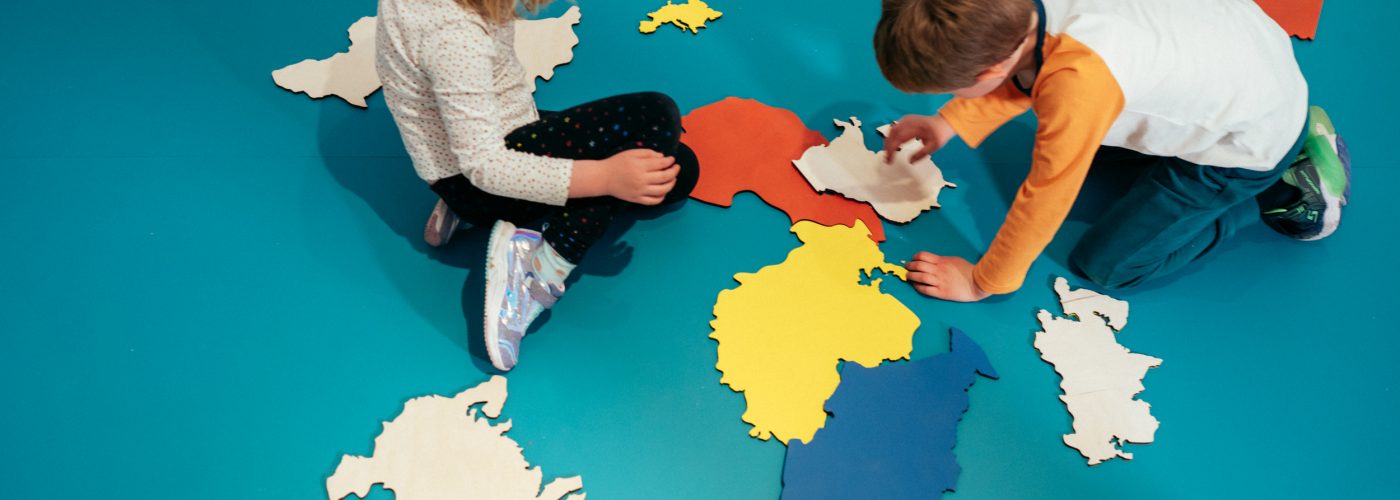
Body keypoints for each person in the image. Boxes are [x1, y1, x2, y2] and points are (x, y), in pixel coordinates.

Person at [873, 0, 1351, 302]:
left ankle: (1278, 188)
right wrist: (948, 120)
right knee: (1075, 138)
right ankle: (1285, 139)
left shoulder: (1079, 85)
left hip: (1248, 144)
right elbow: (1019, 59)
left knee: (1109, 266)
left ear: (987, 72)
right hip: (1247, 55)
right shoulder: (1021, 16)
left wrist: (984, 281)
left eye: (952, 90)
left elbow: (1047, 197)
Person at [376, 0, 700, 370]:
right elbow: (485, 167)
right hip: (481, 178)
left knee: (678, 168)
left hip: (476, 149)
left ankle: (466, 209)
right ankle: (541, 265)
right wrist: (607, 177)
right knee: (654, 116)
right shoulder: (454, 38)